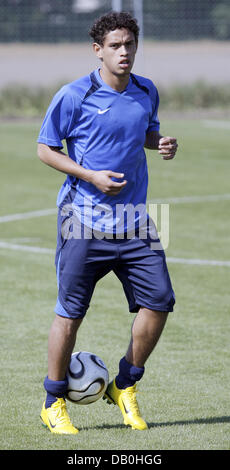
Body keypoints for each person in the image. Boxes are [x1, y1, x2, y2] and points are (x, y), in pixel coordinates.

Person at [37, 11, 178, 434]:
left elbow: (143, 133)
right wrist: (90, 175)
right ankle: (53, 401)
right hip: (82, 221)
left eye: (130, 44)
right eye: (115, 46)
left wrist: (161, 142)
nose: (124, 52)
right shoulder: (74, 94)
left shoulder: (146, 90)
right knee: (70, 314)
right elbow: (46, 148)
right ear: (97, 50)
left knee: (160, 302)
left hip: (135, 220)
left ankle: (126, 385)